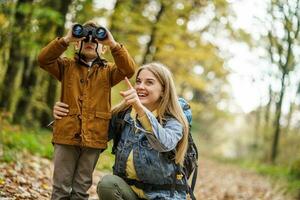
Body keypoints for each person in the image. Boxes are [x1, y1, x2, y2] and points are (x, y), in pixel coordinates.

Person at [53, 63, 189, 200]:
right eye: (138, 81)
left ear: (164, 90)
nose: (141, 86)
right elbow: (91, 136)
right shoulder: (122, 115)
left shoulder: (174, 120)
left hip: (163, 196)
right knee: (108, 185)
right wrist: (66, 115)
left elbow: (163, 143)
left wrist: (141, 109)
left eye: (149, 83)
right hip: (129, 193)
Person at [38, 20, 135, 200]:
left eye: (96, 41)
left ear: (103, 48)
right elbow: (43, 59)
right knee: (60, 187)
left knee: (81, 188)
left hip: (94, 137)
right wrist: (66, 39)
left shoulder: (109, 72)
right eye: (85, 39)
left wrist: (113, 44)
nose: (90, 42)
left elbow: (129, 69)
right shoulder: (66, 66)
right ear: (77, 44)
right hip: (66, 134)